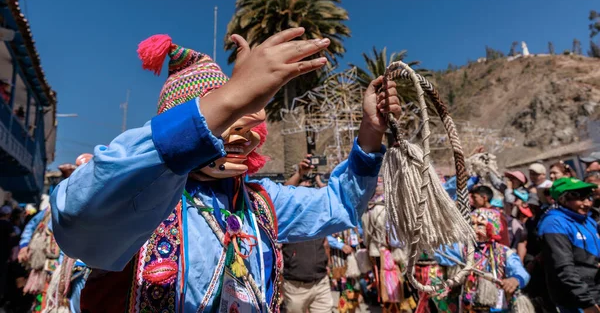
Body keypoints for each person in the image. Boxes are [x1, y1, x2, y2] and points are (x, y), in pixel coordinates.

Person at [50, 29, 401, 313]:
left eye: (247, 114)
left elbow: (339, 204)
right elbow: (76, 213)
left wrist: (370, 135)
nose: (240, 132)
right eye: (224, 117)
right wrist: (230, 97)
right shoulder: (144, 197)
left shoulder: (260, 202)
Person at [19, 156, 92, 313]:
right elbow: (32, 225)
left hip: (79, 269)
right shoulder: (51, 209)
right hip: (51, 265)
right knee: (47, 302)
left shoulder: (93, 206)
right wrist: (24, 245)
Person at [434, 208, 530, 313]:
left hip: (498, 309)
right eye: (471, 224)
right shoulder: (462, 249)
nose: (474, 229)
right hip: (468, 307)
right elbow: (437, 252)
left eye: (480, 225)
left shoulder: (504, 252)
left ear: (492, 228)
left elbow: (521, 272)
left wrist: (515, 280)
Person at [538, 177, 600, 312]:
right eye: (581, 199)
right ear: (562, 199)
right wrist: (586, 302)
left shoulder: (588, 220)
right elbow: (564, 268)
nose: (587, 203)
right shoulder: (554, 223)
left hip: (596, 292)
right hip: (577, 301)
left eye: (589, 197)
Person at [281, 157, 332, 313]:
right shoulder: (287, 217)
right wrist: (300, 174)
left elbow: (325, 244)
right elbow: (282, 195)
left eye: (309, 185)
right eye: (301, 186)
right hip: (296, 287)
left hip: (321, 282)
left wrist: (328, 265)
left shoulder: (317, 214)